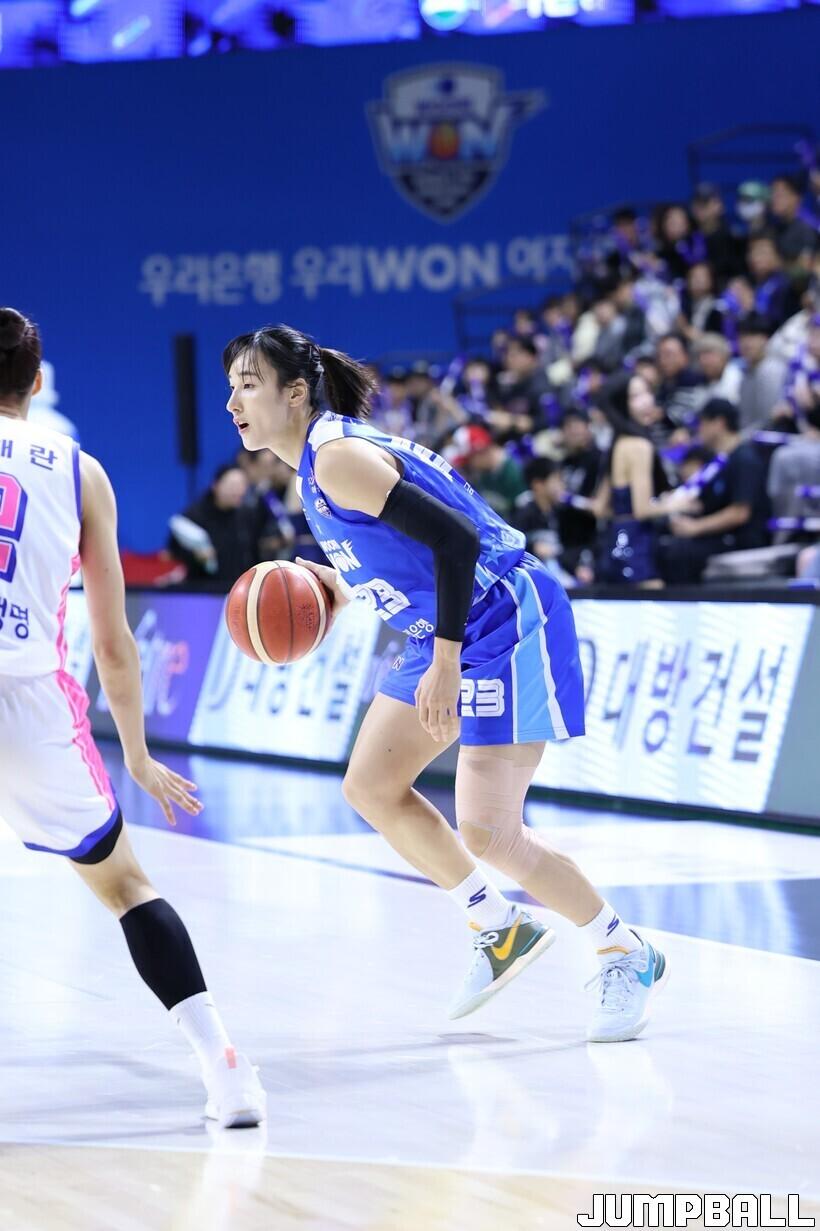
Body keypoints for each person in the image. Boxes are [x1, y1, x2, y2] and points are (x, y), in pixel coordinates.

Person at [223, 323, 669, 1042]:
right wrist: (338, 586)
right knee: (371, 785)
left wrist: (446, 659)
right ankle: (498, 927)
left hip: (502, 615)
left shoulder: (336, 459)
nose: (233, 403)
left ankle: (625, 951)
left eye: (249, 385)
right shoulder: (318, 461)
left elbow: (458, 541)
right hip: (447, 625)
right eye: (231, 388)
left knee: (490, 830)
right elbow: (404, 555)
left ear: (296, 392)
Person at [0, 307, 265, 1128]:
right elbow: (113, 641)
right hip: (30, 695)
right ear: (36, 382)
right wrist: (140, 754)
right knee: (125, 886)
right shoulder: (82, 473)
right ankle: (225, 1071)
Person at [659, 399, 770, 584]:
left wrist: (695, 527)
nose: (699, 430)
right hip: (720, 536)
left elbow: (739, 513)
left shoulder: (745, 460)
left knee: (679, 553)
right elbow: (706, 503)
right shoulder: (719, 462)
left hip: (740, 539)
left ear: (719, 423)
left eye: (702, 423)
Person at [592, 374, 678, 586]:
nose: (647, 401)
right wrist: (679, 503)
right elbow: (642, 510)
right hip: (637, 547)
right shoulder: (639, 446)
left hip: (613, 544)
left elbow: (599, 508)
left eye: (647, 392)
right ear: (620, 404)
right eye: (635, 396)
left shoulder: (617, 444)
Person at [168, 463, 270, 585]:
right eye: (232, 485)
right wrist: (196, 555)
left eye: (242, 485)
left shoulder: (248, 514)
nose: (238, 490)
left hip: (240, 585)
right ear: (215, 485)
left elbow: (255, 550)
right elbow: (173, 549)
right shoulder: (195, 514)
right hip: (204, 587)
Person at [737, 314, 789, 432]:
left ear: (765, 339)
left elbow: (770, 419)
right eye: (742, 337)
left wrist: (739, 438)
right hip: (749, 434)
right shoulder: (746, 372)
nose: (746, 343)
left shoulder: (771, 370)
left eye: (752, 336)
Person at [769, 175, 818, 265]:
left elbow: (806, 266)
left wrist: (776, 264)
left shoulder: (808, 229)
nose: (773, 199)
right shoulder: (772, 228)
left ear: (796, 198)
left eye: (779, 195)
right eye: (772, 194)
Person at [693, 333, 743, 406]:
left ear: (724, 356)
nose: (704, 360)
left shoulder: (737, 378)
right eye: (701, 355)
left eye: (709, 354)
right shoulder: (700, 383)